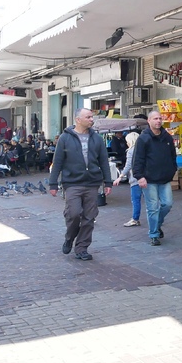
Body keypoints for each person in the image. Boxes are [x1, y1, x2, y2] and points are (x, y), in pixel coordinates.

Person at [48, 108, 112, 261]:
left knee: (89, 217)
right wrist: (53, 183)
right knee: (74, 213)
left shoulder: (96, 138)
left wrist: (107, 182)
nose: (92, 119)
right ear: (78, 119)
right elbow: (57, 161)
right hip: (72, 183)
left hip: (92, 183)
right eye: (88, 117)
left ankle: (82, 248)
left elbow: (104, 160)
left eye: (92, 117)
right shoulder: (65, 138)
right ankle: (70, 237)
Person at [132, 110, 178, 246]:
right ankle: (154, 234)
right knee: (152, 207)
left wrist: (172, 169)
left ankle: (156, 225)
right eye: (155, 119)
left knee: (167, 204)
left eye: (160, 118)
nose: (158, 121)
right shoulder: (143, 139)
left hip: (164, 178)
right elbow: (138, 159)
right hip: (149, 179)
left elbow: (172, 156)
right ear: (149, 121)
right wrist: (139, 176)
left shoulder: (167, 138)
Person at [113, 131, 142, 227]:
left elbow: (128, 165)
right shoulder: (143, 149)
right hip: (146, 177)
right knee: (151, 201)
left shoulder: (131, 150)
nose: (126, 143)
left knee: (135, 200)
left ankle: (135, 219)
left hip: (135, 178)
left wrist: (120, 177)